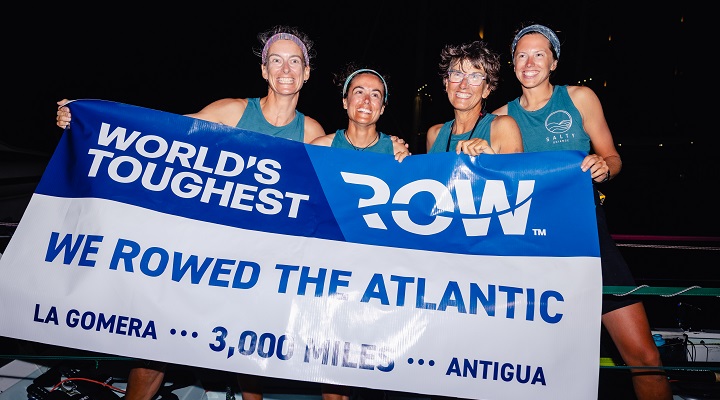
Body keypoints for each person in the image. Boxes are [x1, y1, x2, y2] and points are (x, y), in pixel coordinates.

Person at [56, 25, 324, 400]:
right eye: (275, 61)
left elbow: (331, 188)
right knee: (155, 349)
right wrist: (88, 119)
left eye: (294, 61)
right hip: (203, 255)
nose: (285, 70)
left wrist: (394, 151)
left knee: (251, 356)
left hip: (257, 264)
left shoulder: (311, 132)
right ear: (264, 71)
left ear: (306, 72)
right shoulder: (231, 112)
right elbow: (160, 132)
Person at [492, 23, 673, 400]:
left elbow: (613, 156)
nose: (530, 62)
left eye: (539, 53)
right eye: (522, 54)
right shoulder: (498, 118)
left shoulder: (579, 98)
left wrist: (605, 167)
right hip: (530, 244)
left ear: (553, 62)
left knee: (643, 355)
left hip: (588, 233)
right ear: (512, 64)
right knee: (528, 364)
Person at [310, 66, 409, 400]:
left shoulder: (398, 156)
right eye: (359, 92)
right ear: (344, 101)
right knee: (331, 368)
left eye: (375, 94)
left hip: (375, 277)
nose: (366, 100)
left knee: (366, 370)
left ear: (382, 108)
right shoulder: (321, 147)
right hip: (331, 272)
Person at [426, 40, 523, 156]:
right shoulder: (434, 135)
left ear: (486, 90)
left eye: (475, 77)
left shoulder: (503, 128)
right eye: (457, 74)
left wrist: (490, 159)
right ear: (447, 83)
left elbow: (517, 174)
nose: (463, 85)